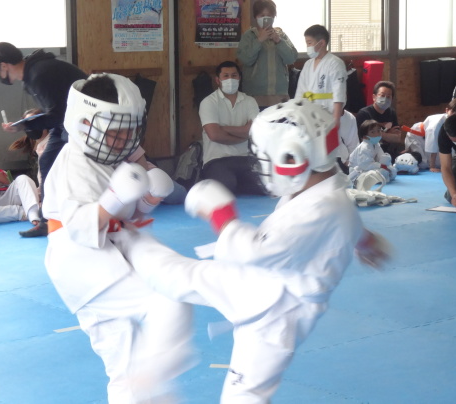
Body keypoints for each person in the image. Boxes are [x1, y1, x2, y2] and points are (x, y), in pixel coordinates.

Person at [110, 99, 389, 403]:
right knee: (181, 275)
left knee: (245, 394)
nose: (262, 167)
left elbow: (255, 251)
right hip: (264, 285)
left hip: (277, 315)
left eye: (266, 158)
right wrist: (367, 243)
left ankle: (127, 241)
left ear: (292, 156)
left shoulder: (320, 207)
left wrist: (220, 213)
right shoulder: (325, 193)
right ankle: (127, 239)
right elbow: (350, 224)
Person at [43, 73, 193, 403]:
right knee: (167, 300)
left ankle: (147, 387)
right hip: (80, 257)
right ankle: (153, 379)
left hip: (106, 250)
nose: (124, 138)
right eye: (116, 131)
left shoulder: (111, 151)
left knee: (123, 368)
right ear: (85, 123)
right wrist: (113, 199)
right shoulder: (75, 162)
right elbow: (80, 225)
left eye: (130, 129)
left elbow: (131, 211)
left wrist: (150, 198)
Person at [0, 42, 87, 237]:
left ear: (4, 66)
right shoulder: (33, 73)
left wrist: (24, 125)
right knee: (47, 160)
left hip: (83, 122)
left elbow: (57, 114)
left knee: (74, 166)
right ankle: (47, 220)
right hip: (68, 121)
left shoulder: (39, 74)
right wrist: (25, 124)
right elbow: (57, 111)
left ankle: (84, 216)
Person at [198, 61, 266, 195]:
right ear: (218, 80)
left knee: (266, 184)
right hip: (216, 161)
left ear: (239, 77)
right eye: (226, 76)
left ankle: (239, 184)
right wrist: (244, 134)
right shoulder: (208, 102)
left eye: (234, 75)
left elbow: (254, 131)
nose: (230, 79)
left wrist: (224, 128)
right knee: (226, 185)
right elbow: (214, 135)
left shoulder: (249, 101)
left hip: (245, 159)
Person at [295, 24, 358, 165]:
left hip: (328, 113)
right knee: (313, 153)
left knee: (332, 152)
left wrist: (336, 119)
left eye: (309, 43)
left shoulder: (335, 63)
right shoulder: (308, 64)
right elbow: (300, 93)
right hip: (310, 115)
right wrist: (297, 115)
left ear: (321, 43)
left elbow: (339, 92)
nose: (307, 47)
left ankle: (343, 167)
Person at [236, 0, 298, 109]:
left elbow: (291, 58)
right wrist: (259, 40)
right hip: (254, 94)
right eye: (262, 15)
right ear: (256, 17)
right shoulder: (249, 35)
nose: (266, 18)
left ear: (274, 17)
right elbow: (245, 59)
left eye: (269, 15)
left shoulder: (281, 35)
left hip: (279, 94)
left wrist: (278, 41)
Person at [354, 81, 405, 160]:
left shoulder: (391, 112)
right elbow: (366, 138)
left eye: (388, 96)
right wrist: (388, 134)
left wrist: (375, 133)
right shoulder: (364, 114)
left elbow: (397, 138)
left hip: (389, 153)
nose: (385, 99)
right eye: (382, 95)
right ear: (374, 97)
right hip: (370, 154)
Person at [348, 120, 397, 185]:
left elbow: (382, 158)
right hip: (359, 171)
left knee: (392, 170)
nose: (377, 134)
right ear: (365, 136)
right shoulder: (364, 147)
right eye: (373, 132)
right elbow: (365, 165)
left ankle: (382, 176)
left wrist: (387, 165)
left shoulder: (376, 144)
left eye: (379, 131)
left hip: (371, 167)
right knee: (382, 172)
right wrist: (381, 166)